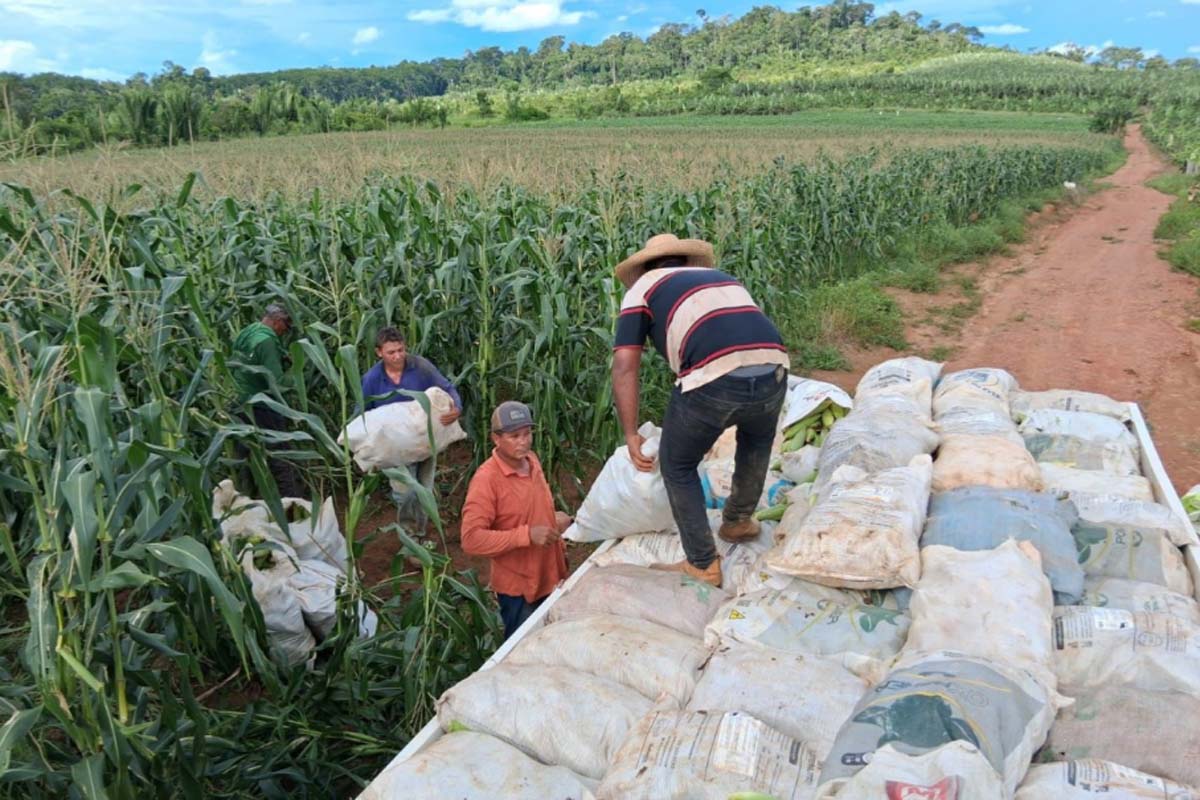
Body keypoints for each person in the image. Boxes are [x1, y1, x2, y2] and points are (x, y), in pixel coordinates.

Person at [611, 234, 789, 587]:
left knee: (677, 464)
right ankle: (738, 521)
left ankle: (703, 562)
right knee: (756, 439)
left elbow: (625, 365)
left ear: (647, 266)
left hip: (713, 376)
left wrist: (631, 433)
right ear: (687, 261)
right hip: (774, 366)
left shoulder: (643, 287)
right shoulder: (723, 278)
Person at [460, 401, 571, 640]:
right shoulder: (486, 480)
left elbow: (532, 507)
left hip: (550, 575)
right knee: (523, 647)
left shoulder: (531, 460)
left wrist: (554, 519)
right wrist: (526, 535)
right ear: (496, 439)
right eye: (514, 436)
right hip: (520, 589)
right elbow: (471, 539)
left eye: (527, 433)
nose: (524, 441)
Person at [361, 327, 463, 523]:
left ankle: (420, 534)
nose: (398, 356)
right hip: (395, 445)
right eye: (391, 352)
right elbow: (363, 412)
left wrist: (456, 408)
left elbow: (447, 387)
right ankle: (409, 539)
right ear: (379, 352)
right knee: (405, 492)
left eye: (401, 350)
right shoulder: (372, 379)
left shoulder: (420, 367)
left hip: (425, 438)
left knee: (424, 490)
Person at [230, 302, 303, 498]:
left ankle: (249, 501)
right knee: (281, 456)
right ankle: (294, 504)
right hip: (263, 405)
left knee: (246, 457)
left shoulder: (249, 331)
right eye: (286, 328)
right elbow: (277, 383)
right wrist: (297, 373)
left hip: (240, 404)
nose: (285, 332)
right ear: (278, 322)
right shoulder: (267, 342)